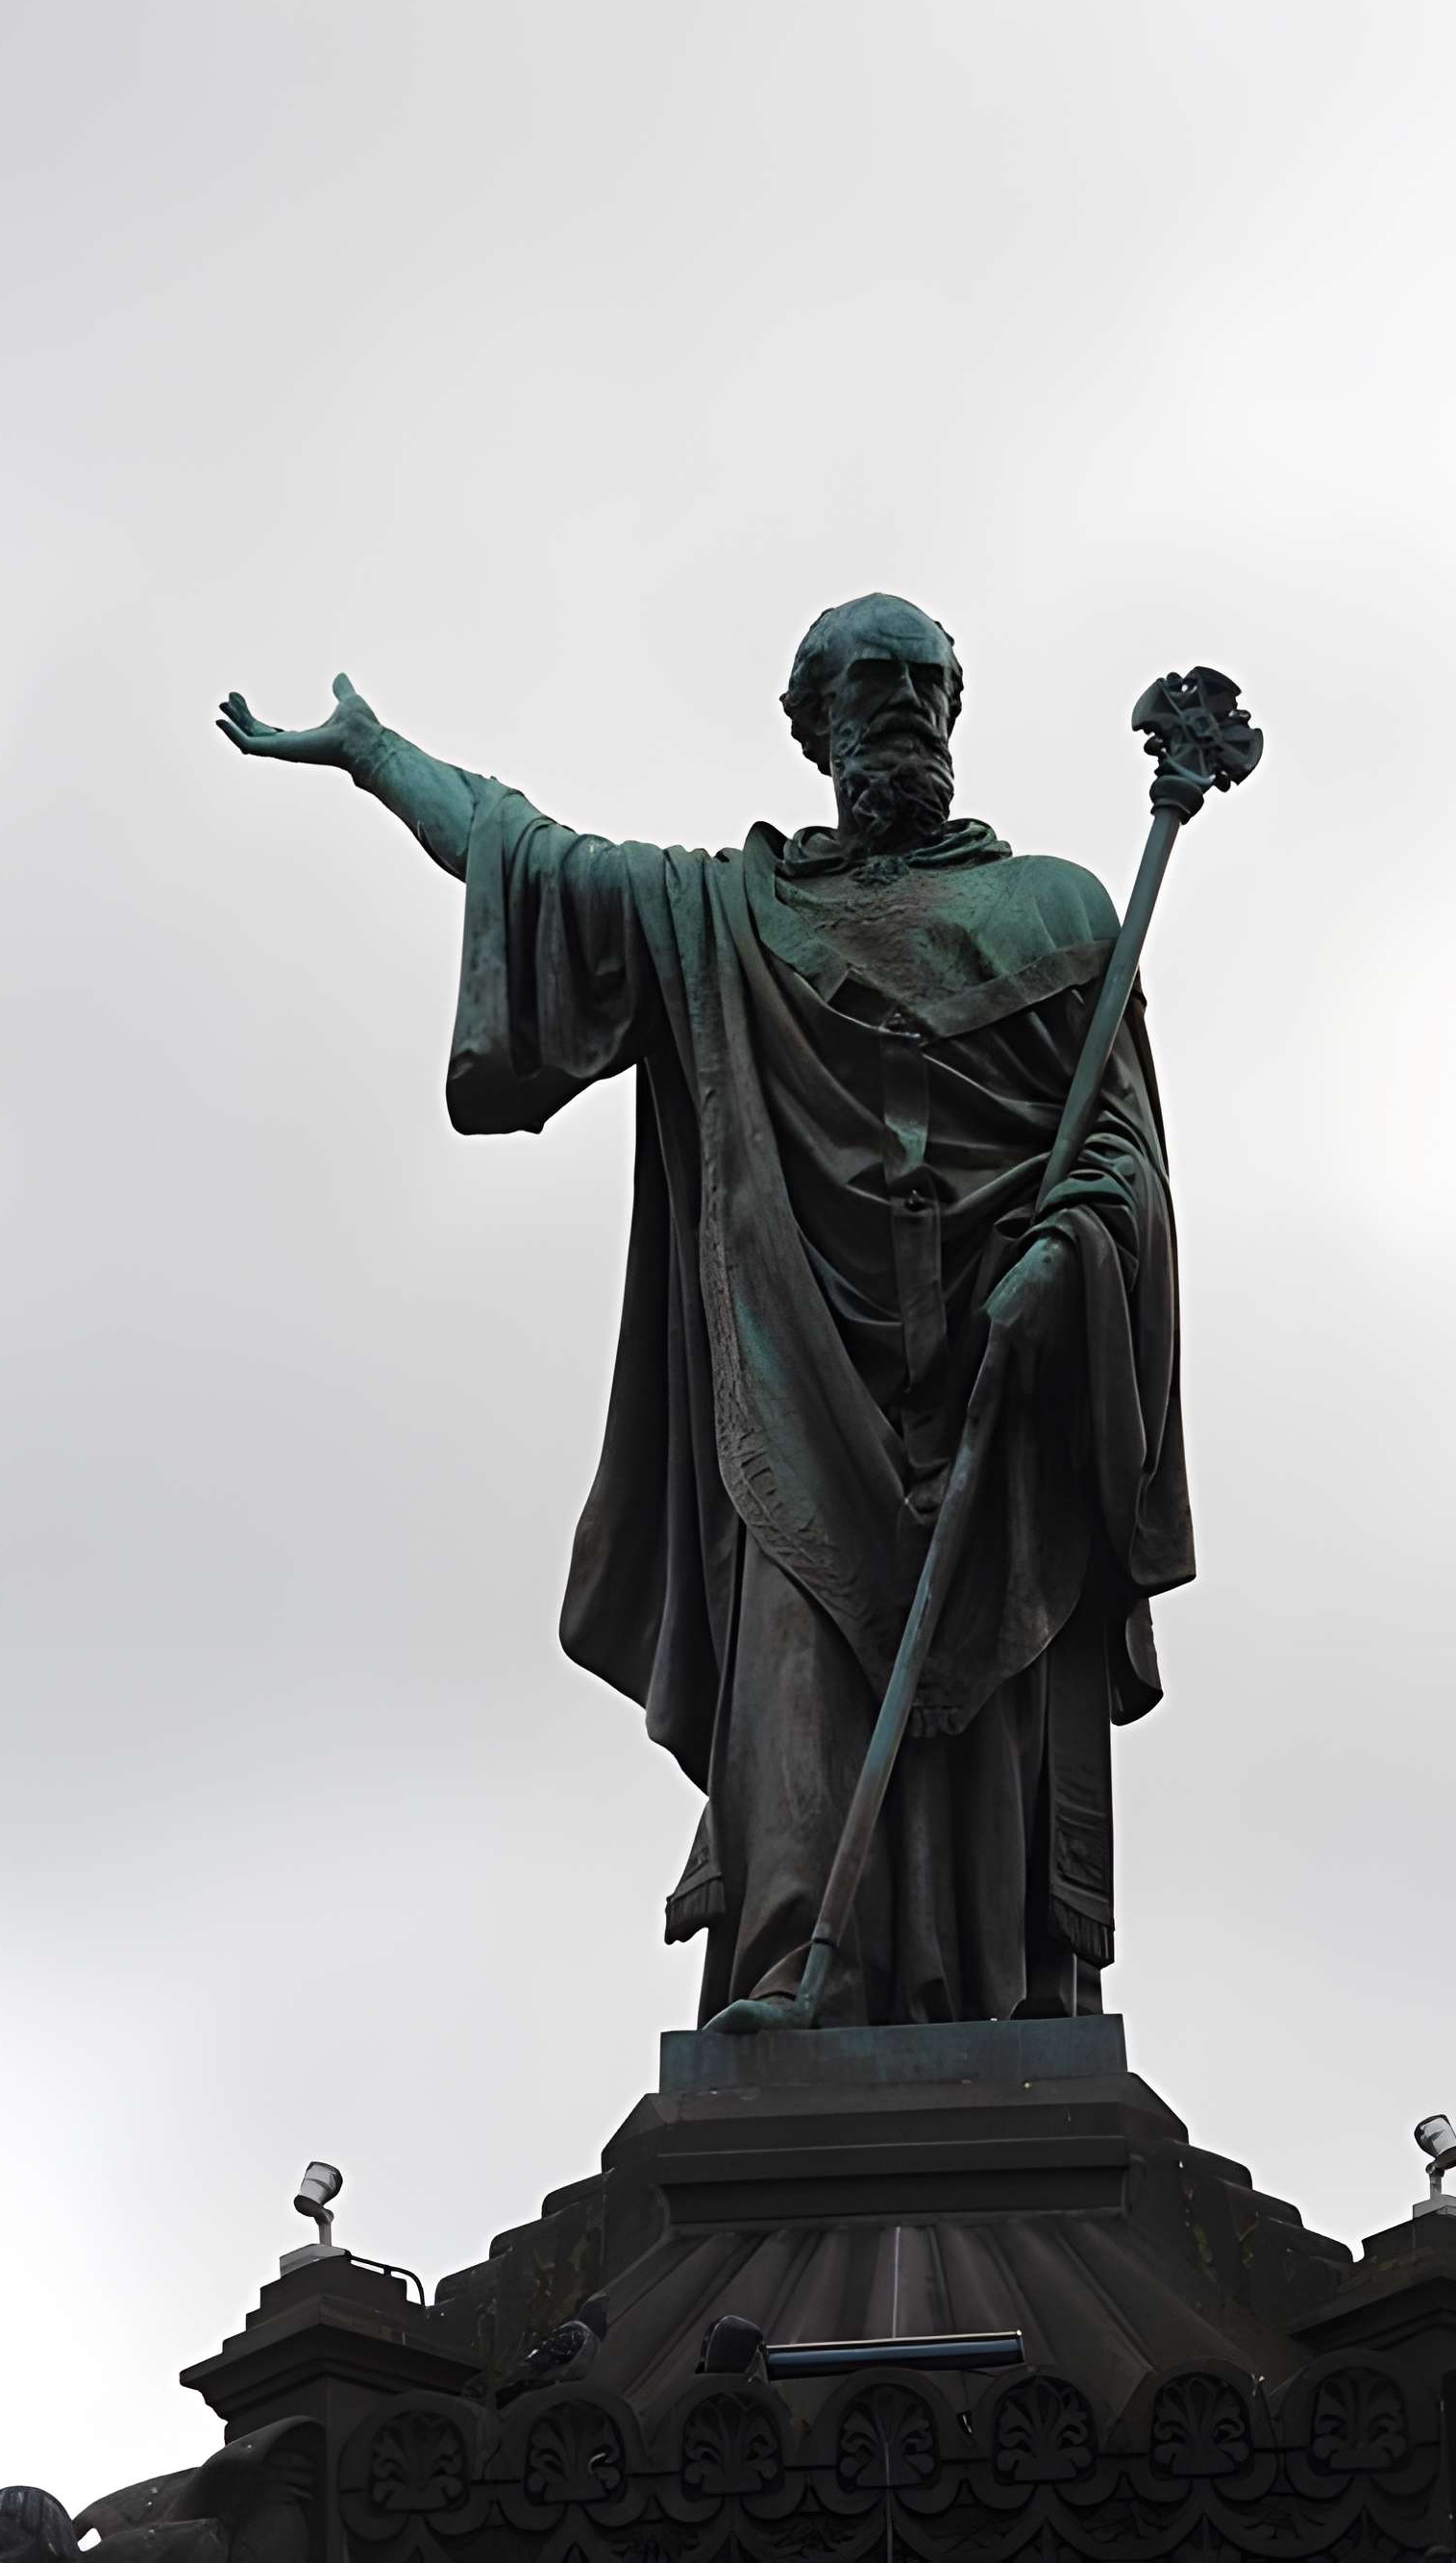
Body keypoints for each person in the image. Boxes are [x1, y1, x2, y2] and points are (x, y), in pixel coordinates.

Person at [219, 593, 1193, 2025]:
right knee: (797, 1673)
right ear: (813, 727)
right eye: (867, 689)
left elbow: (1119, 1144)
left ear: (957, 709)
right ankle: (802, 1968)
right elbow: (538, 865)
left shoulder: (1060, 911)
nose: (901, 710)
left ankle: (1001, 2007)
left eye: (925, 685)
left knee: (989, 1702)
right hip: (798, 1376)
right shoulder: (731, 917)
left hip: (1010, 1365)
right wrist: (380, 758)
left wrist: (1080, 1247)